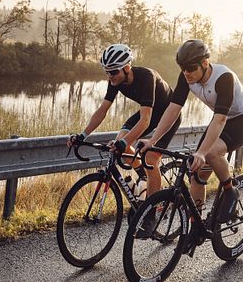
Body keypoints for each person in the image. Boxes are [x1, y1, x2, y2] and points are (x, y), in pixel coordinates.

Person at [139, 39, 243, 229]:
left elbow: (220, 120)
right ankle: (196, 225)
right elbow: (173, 109)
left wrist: (202, 152)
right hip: (220, 119)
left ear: (205, 63)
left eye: (191, 68)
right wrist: (153, 140)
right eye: (183, 68)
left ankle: (230, 191)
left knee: (210, 153)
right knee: (196, 172)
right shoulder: (187, 76)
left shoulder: (223, 77)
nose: (186, 72)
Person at [67, 43, 181, 202]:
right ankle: (143, 177)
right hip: (149, 113)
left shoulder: (146, 77)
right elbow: (102, 110)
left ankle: (151, 210)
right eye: (106, 72)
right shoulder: (115, 81)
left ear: (127, 67)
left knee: (151, 160)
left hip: (168, 115)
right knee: (121, 145)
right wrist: (83, 135)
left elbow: (145, 120)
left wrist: (123, 142)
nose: (110, 75)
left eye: (113, 71)